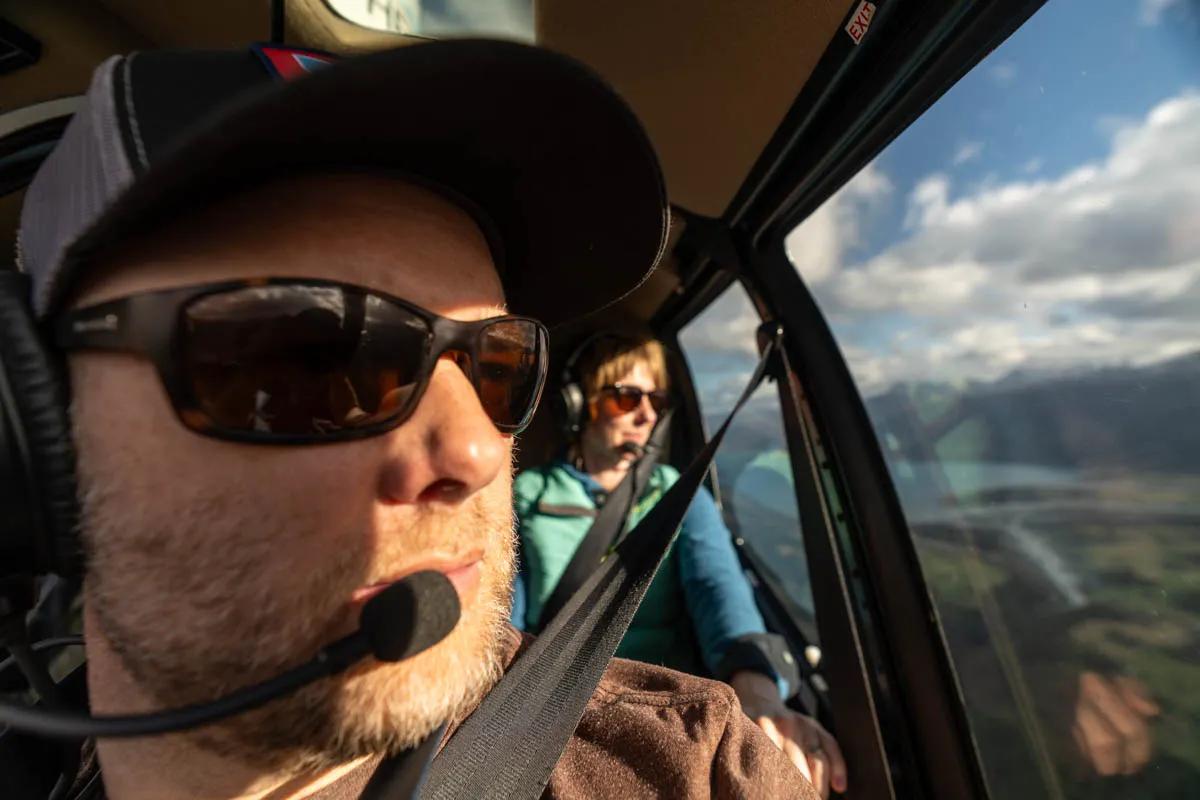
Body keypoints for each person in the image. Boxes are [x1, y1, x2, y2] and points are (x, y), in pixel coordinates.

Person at [8, 42, 821, 799]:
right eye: (307, 357)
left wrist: (756, 685)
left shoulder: (692, 770)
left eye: (500, 365)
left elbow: (719, 600)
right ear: (32, 430)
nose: (472, 448)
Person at [512, 334, 847, 797]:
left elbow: (719, 590)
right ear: (578, 404)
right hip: (556, 714)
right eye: (626, 397)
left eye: (656, 400)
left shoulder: (679, 494)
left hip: (669, 714)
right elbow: (504, 624)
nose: (646, 414)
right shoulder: (528, 495)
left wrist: (760, 695)